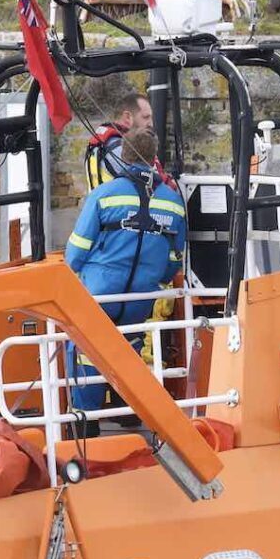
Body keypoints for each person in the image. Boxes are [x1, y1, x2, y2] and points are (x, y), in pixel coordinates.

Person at [61, 128, 187, 426]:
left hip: (100, 292)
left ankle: (85, 419)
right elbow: (174, 259)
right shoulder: (172, 201)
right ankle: (128, 409)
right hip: (141, 296)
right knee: (130, 342)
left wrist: (77, 272)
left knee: (85, 348)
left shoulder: (103, 196)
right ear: (154, 158)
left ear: (124, 156)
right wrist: (154, 276)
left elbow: (76, 252)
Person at [84, 92, 155, 187]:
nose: (151, 124)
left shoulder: (101, 144)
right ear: (127, 117)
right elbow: (153, 185)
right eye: (145, 117)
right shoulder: (121, 149)